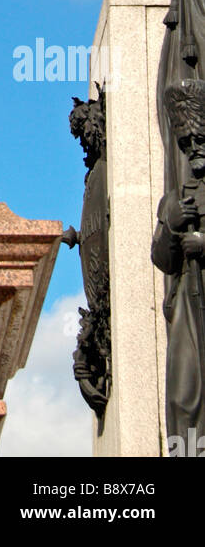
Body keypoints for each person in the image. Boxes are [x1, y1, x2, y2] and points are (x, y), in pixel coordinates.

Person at [151, 78, 205, 441]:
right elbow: (162, 260)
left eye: (200, 141)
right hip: (189, 300)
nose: (194, 151)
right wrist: (169, 225)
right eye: (186, 144)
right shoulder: (177, 197)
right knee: (182, 396)